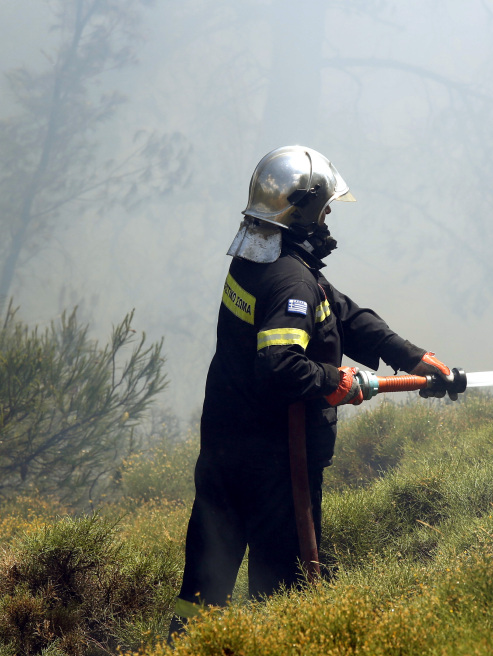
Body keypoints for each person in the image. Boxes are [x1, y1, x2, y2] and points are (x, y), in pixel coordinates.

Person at [170, 145, 457, 634]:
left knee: (203, 585)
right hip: (277, 468)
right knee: (280, 596)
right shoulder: (289, 281)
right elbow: (280, 365)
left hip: (224, 454)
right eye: (323, 210)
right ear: (299, 211)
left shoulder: (256, 261)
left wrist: (408, 354)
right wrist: (336, 382)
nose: (327, 221)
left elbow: (337, 309)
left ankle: (180, 646)